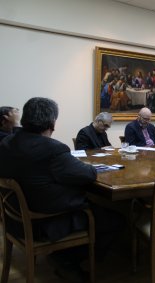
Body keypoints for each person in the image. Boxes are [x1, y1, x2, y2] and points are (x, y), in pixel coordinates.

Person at [0, 97, 123, 282]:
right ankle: (67, 260)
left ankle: (65, 255)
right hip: (45, 221)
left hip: (14, 218)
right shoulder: (53, 149)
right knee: (116, 219)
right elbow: (88, 174)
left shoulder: (6, 143)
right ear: (52, 123)